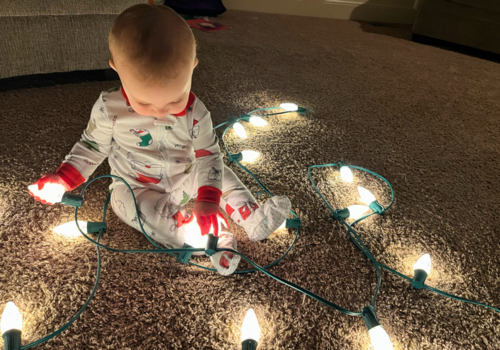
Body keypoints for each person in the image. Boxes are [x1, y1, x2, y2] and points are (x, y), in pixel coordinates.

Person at [28, 4, 291, 276]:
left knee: (219, 174)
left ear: (192, 68)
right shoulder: (109, 108)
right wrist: (63, 178)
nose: (161, 112)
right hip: (136, 185)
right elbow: (93, 146)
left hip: (187, 174)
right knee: (134, 209)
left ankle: (252, 218)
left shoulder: (195, 111)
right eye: (143, 102)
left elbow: (208, 155)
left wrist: (209, 197)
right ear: (117, 70)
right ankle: (210, 241)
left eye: (175, 99)